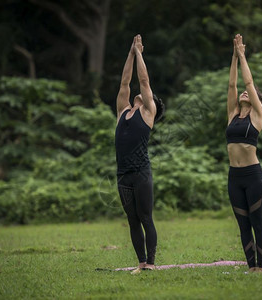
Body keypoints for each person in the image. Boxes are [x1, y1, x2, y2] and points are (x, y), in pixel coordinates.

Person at [115, 34, 165, 274]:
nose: (142, 94)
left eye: (148, 97)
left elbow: (143, 81)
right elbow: (125, 82)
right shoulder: (123, 111)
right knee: (132, 220)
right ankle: (141, 263)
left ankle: (152, 264)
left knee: (146, 217)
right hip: (123, 175)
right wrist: (131, 52)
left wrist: (141, 54)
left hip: (141, 174)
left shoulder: (147, 113)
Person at [225, 34, 262, 273]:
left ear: (256, 101)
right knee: (243, 225)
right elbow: (232, 85)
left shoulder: (257, 116)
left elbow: (248, 84)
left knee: (257, 222)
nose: (243, 92)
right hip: (235, 177)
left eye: (248, 94)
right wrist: (233, 56)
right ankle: (251, 267)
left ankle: (260, 267)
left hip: (253, 176)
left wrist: (243, 56)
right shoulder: (232, 115)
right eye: (242, 93)